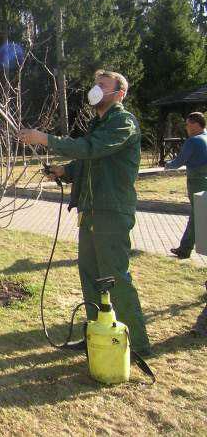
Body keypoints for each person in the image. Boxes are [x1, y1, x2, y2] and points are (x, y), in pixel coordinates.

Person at [18, 70, 151, 355]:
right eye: (96, 85)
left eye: (103, 86)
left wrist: (45, 138)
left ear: (120, 93)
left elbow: (91, 149)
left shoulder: (123, 122)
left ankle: (137, 345)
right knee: (90, 275)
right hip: (90, 210)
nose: (96, 90)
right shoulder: (98, 123)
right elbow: (90, 162)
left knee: (114, 276)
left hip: (111, 212)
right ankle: (96, 335)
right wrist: (65, 170)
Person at [165, 112, 207, 259]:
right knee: (199, 214)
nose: (187, 128)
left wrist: (167, 165)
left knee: (198, 216)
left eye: (188, 125)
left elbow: (179, 161)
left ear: (196, 124)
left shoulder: (193, 141)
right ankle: (185, 247)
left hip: (197, 181)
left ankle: (185, 249)